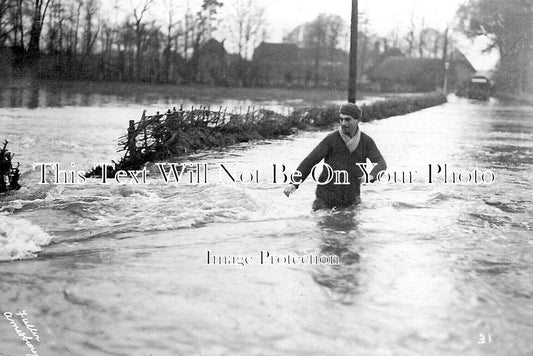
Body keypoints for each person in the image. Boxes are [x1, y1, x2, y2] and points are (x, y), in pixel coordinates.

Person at [284, 103, 386, 210]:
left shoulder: (366, 141)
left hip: (351, 198)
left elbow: (381, 163)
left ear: (357, 120)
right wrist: (294, 183)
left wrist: (370, 176)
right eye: (341, 119)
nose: (343, 123)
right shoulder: (331, 139)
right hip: (325, 198)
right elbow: (310, 161)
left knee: (353, 225)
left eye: (347, 119)